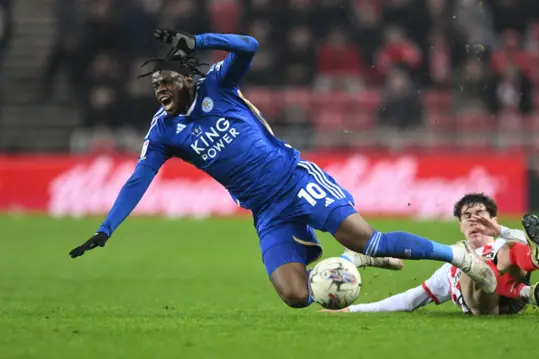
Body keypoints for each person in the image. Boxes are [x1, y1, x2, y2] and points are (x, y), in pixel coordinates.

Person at [68, 29, 497, 308]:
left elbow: (249, 45)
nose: (160, 89)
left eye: (167, 81)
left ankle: (456, 256)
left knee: (370, 238)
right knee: (295, 296)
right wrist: (107, 229)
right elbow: (138, 179)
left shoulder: (218, 85)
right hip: (265, 210)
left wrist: (197, 41)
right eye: (155, 85)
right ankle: (354, 264)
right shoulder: (163, 131)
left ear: (187, 80)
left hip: (294, 180)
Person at [323, 194, 539, 315]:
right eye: (467, 216)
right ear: (459, 225)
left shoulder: (506, 241)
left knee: (510, 249)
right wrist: (354, 309)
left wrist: (500, 232)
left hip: (512, 294)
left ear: (493, 220)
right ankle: (527, 292)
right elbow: (409, 300)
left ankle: (532, 272)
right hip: (485, 305)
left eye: (481, 215)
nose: (475, 220)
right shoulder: (452, 264)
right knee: (472, 265)